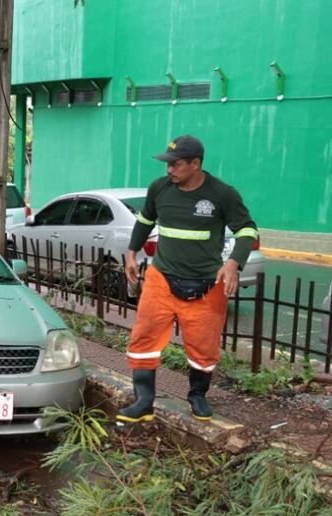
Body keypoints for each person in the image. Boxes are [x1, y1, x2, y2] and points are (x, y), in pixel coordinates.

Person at [118, 135, 258, 423]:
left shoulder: (223, 194)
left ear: (196, 164)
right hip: (161, 279)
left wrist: (234, 263)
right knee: (144, 336)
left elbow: (247, 230)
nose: (169, 170)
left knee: (203, 347)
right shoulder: (159, 188)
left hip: (206, 284)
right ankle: (143, 400)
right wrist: (131, 252)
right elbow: (145, 220)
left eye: (176, 164)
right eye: (168, 164)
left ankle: (197, 396)